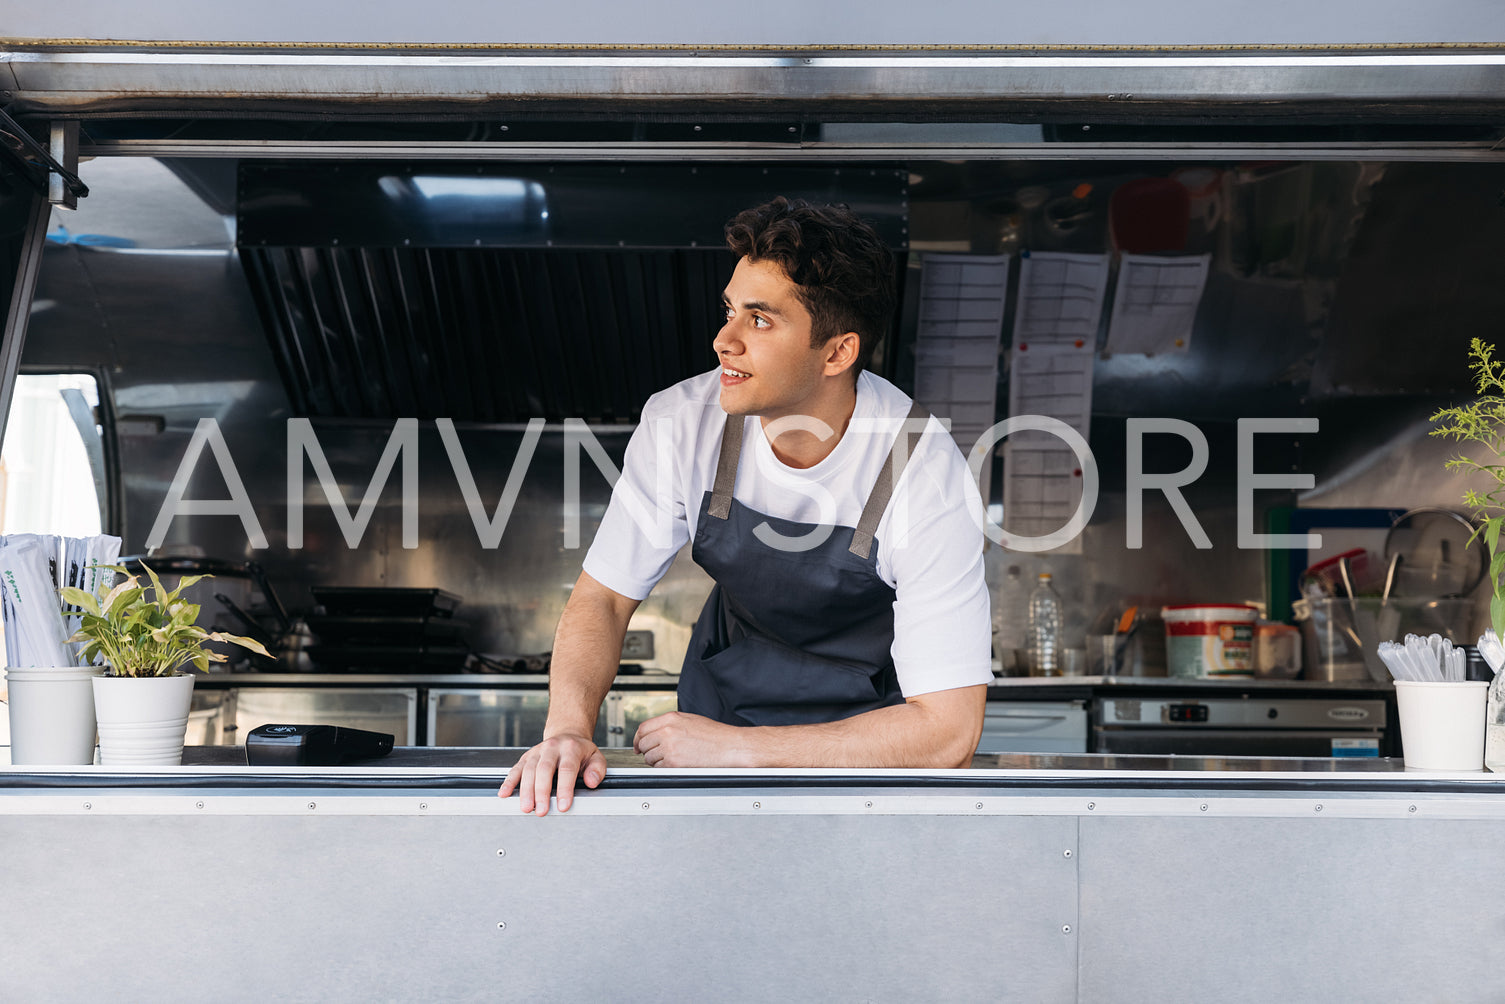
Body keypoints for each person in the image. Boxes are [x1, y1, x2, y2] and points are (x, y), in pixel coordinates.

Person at [499, 197, 991, 814]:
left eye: (759, 320)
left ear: (838, 353)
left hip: (870, 752)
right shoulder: (684, 423)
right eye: (730, 310)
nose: (722, 340)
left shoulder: (921, 467)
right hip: (722, 717)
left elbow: (948, 733)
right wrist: (567, 729)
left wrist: (745, 750)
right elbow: (604, 596)